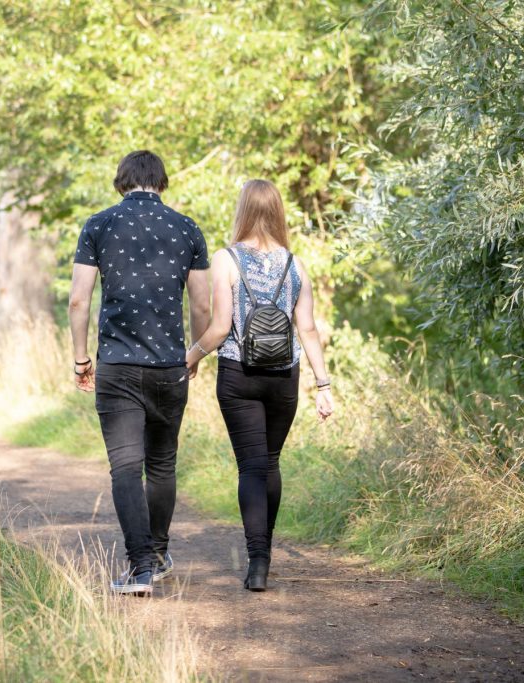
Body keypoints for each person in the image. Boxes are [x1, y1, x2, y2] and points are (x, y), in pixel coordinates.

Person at [68, 150, 211, 596]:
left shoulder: (98, 224)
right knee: (163, 463)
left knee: (126, 468)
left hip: (118, 365)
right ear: (161, 182)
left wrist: (79, 358)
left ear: (123, 181)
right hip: (171, 364)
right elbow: (203, 305)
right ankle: (159, 553)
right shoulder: (187, 228)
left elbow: (78, 300)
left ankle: (142, 568)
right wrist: (195, 355)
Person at [185, 179, 334, 592]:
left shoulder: (226, 260)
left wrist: (191, 357)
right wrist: (324, 385)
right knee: (270, 462)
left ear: (243, 210)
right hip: (285, 377)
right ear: (278, 212)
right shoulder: (296, 264)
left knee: (251, 466)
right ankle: (265, 555)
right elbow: (307, 328)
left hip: (239, 374)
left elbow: (218, 328)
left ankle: (257, 562)